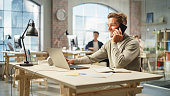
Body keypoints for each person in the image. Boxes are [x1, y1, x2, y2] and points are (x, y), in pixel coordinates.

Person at [68, 13, 140, 71]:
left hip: (129, 83)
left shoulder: (132, 43)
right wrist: (73, 61)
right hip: (115, 80)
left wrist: (114, 42)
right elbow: (92, 58)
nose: (108, 29)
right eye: (108, 25)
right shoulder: (109, 43)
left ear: (122, 25)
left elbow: (119, 64)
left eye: (112, 25)